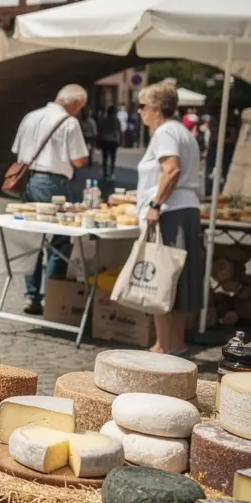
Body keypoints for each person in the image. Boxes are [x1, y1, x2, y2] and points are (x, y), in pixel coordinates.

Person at [136, 81, 203, 355]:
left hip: (171, 210)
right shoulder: (182, 132)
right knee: (177, 278)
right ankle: (174, 343)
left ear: (154, 108)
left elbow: (171, 171)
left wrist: (155, 204)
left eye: (141, 107)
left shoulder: (164, 132)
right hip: (183, 208)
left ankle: (163, 345)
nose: (139, 112)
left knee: (161, 277)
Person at [11, 85, 89, 315]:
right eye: (80, 108)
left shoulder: (30, 116)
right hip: (54, 183)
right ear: (75, 104)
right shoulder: (69, 123)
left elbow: (18, 150)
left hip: (28, 181)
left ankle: (31, 295)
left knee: (32, 239)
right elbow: (79, 161)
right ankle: (53, 296)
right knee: (60, 240)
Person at [98, 104, 121, 180]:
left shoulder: (104, 119)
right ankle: (111, 172)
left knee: (104, 158)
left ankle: (105, 172)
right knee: (112, 158)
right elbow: (119, 131)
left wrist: (99, 140)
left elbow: (100, 130)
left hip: (105, 140)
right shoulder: (116, 120)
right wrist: (120, 140)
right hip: (113, 141)